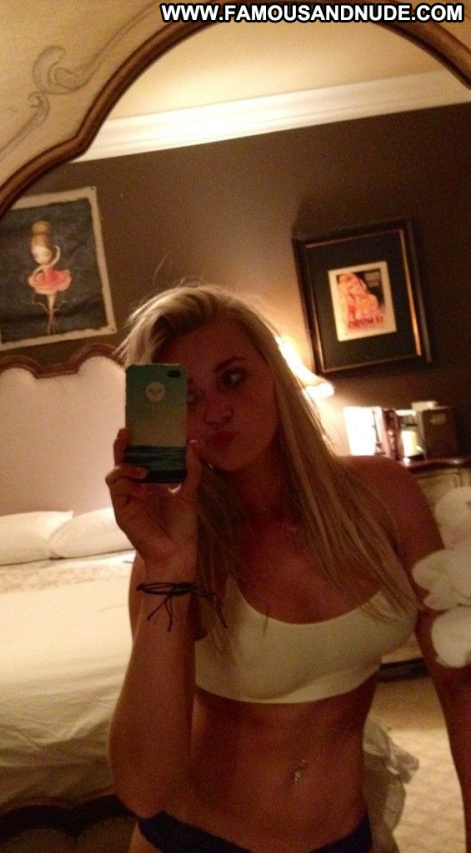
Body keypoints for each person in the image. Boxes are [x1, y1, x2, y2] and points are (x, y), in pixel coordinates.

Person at [105, 283, 470, 853]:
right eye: (188, 398)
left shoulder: (383, 495)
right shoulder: (180, 551)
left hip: (344, 837)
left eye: (232, 378)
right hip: (195, 839)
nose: (216, 411)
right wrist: (167, 564)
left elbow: (458, 683)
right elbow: (143, 789)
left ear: (273, 375)